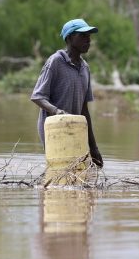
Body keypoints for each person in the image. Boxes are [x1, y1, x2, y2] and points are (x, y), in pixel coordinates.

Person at [30, 18, 103, 167]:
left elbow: (84, 110)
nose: (88, 40)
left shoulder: (85, 68)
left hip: (76, 127)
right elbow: (37, 96)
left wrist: (94, 148)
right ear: (69, 38)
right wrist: (57, 112)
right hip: (54, 127)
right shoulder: (56, 62)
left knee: (78, 170)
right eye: (82, 36)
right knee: (59, 168)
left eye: (89, 36)